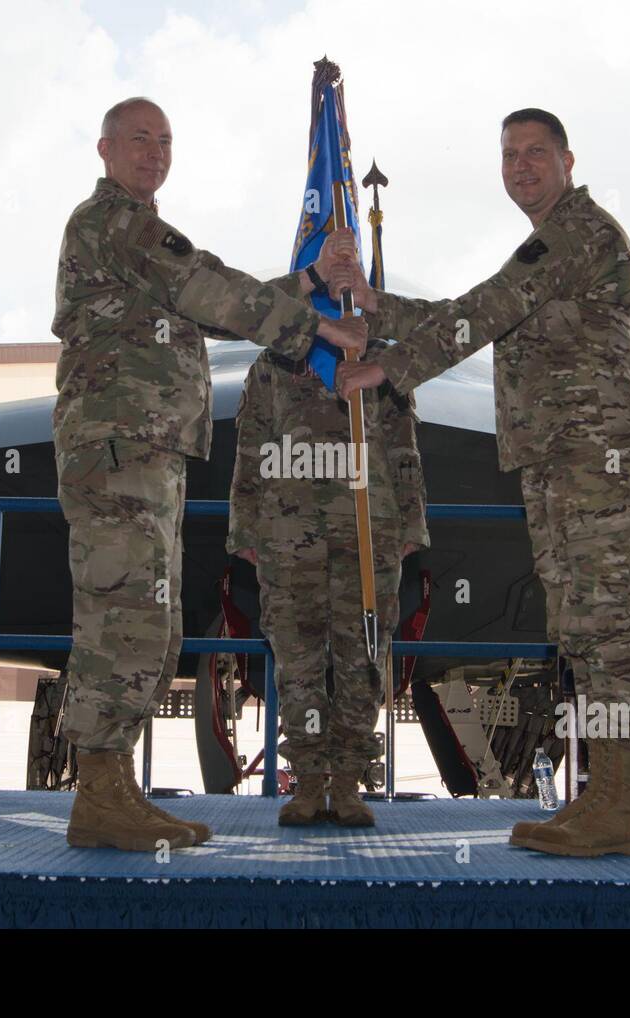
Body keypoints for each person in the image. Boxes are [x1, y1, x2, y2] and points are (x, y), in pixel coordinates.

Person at [333, 108, 630, 858]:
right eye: (509, 154)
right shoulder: (544, 251)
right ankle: (604, 795)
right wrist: (382, 311)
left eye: (535, 152)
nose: (521, 166)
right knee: (578, 628)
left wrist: (388, 366)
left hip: (593, 454)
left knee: (606, 627)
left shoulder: (577, 232)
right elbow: (482, 313)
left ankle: (622, 801)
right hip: (557, 458)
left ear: (568, 161)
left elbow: (485, 310)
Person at [52, 97, 367, 852]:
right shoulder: (112, 222)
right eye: (138, 139)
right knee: (120, 618)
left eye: (165, 140)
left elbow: (213, 296)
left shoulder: (142, 236)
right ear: (104, 149)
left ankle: (112, 787)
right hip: (117, 451)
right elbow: (205, 287)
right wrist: (322, 321)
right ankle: (98, 790)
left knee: (151, 625)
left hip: (148, 454)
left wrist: (310, 278)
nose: (153, 152)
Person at [228, 340, 428, 826]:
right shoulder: (274, 360)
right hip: (288, 532)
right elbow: (251, 444)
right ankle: (309, 783)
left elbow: (404, 445)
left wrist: (410, 523)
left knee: (363, 662)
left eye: (348, 260)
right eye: (325, 260)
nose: (338, 267)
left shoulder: (382, 361)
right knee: (298, 664)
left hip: (368, 532)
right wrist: (244, 527)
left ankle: (347, 785)